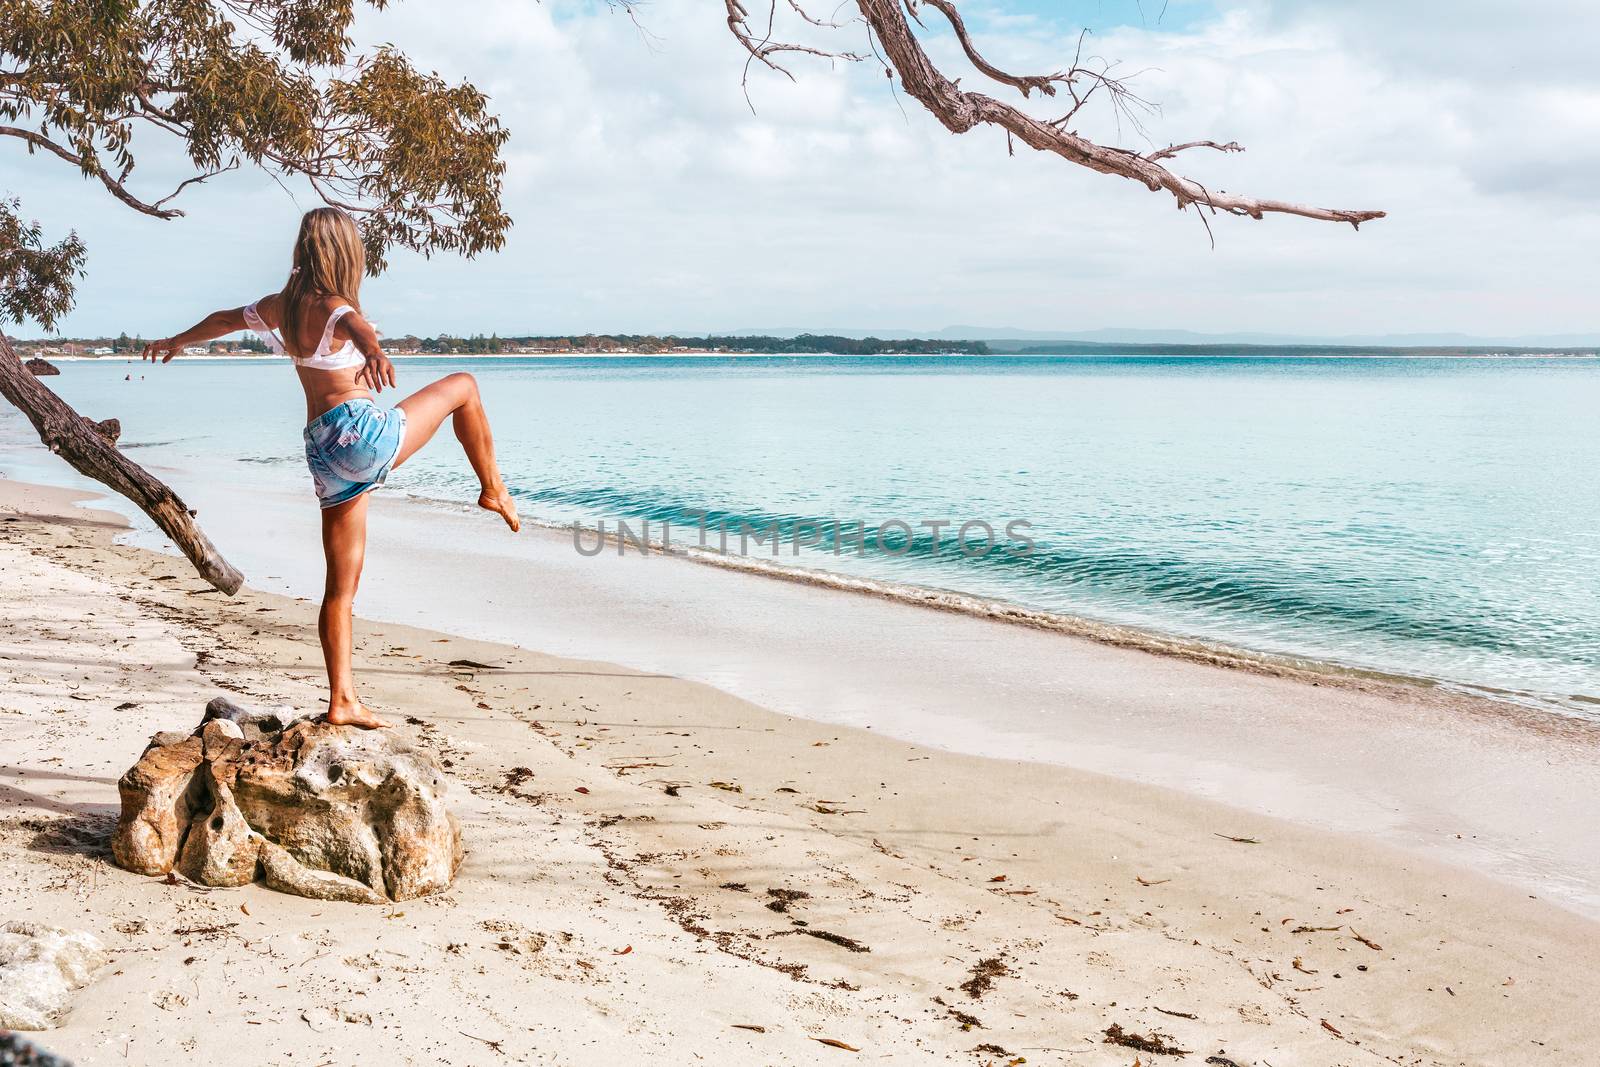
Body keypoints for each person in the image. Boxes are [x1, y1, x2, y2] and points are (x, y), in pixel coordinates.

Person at [142, 208, 519, 728]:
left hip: (322, 448)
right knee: (465, 386)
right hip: (357, 434)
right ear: (343, 254)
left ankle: (343, 699)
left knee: (340, 587)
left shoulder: (282, 307)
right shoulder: (335, 306)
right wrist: (375, 350)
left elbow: (225, 320)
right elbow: (356, 327)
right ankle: (493, 487)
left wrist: (177, 341)